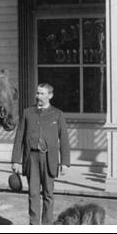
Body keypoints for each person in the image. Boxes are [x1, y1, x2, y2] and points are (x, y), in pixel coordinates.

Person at [11, 83, 72, 225]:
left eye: (42, 94)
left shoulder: (58, 114)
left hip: (49, 159)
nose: (38, 96)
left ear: (50, 95)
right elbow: (19, 137)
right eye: (37, 93)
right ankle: (33, 224)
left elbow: (64, 140)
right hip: (31, 158)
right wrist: (15, 160)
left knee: (48, 194)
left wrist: (65, 163)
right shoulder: (27, 113)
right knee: (33, 194)